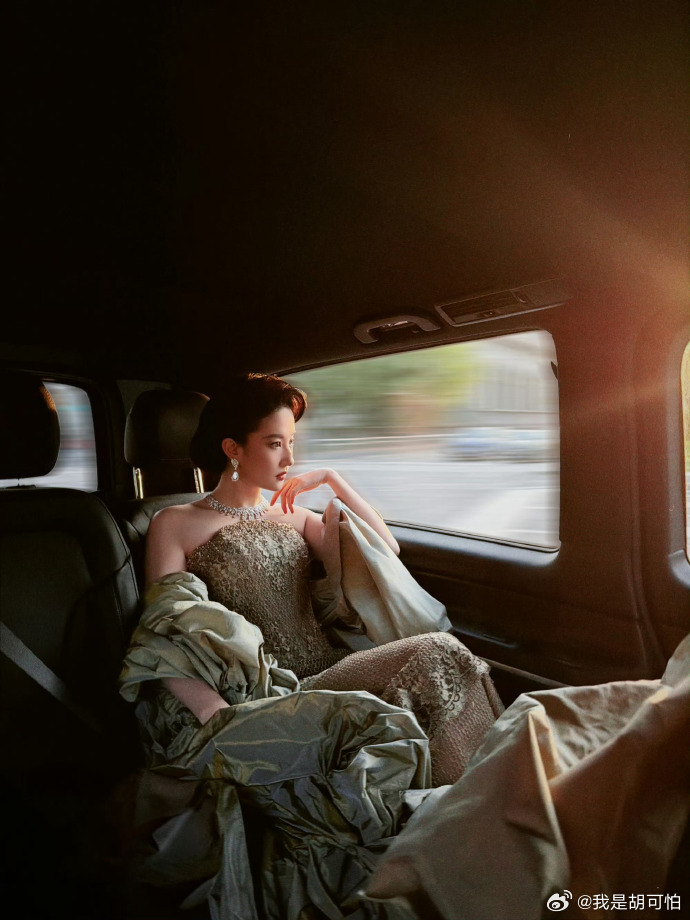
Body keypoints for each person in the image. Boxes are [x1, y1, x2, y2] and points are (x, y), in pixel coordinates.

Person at [119, 373, 503, 918]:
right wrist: (216, 715)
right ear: (233, 449)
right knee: (436, 650)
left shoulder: (294, 515)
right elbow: (165, 628)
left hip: (329, 667)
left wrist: (334, 482)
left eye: (293, 443)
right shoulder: (174, 523)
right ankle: (476, 823)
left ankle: (481, 814)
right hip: (267, 691)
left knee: (441, 660)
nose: (289, 460)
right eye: (274, 443)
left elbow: (384, 550)